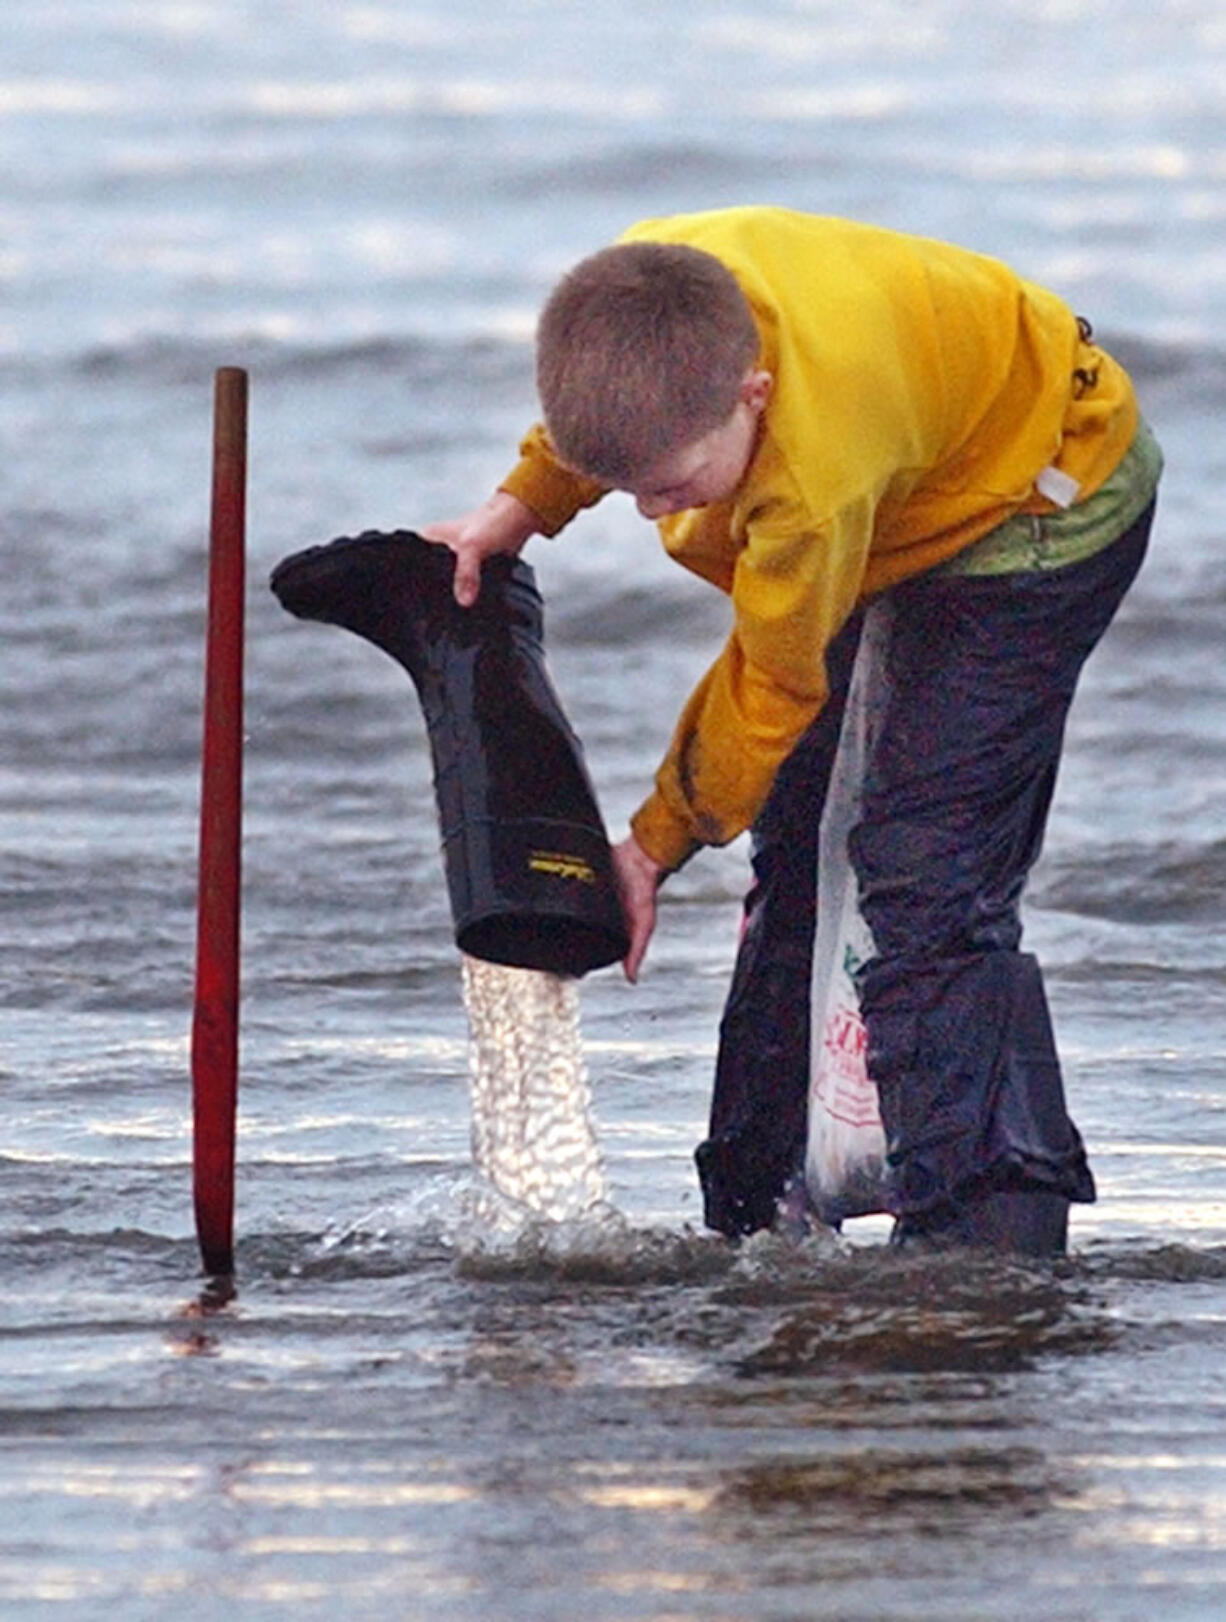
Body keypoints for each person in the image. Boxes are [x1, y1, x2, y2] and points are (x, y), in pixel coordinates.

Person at [423, 205, 1161, 1255]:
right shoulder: (654, 299)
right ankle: (756, 1199)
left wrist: (651, 846)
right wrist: (517, 509)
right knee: (793, 833)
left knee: (918, 872)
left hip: (1048, 487)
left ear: (751, 395)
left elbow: (771, 687)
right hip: (913, 459)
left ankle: (990, 1238)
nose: (646, 514)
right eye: (624, 485)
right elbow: (601, 429)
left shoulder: (812, 482)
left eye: (668, 487)